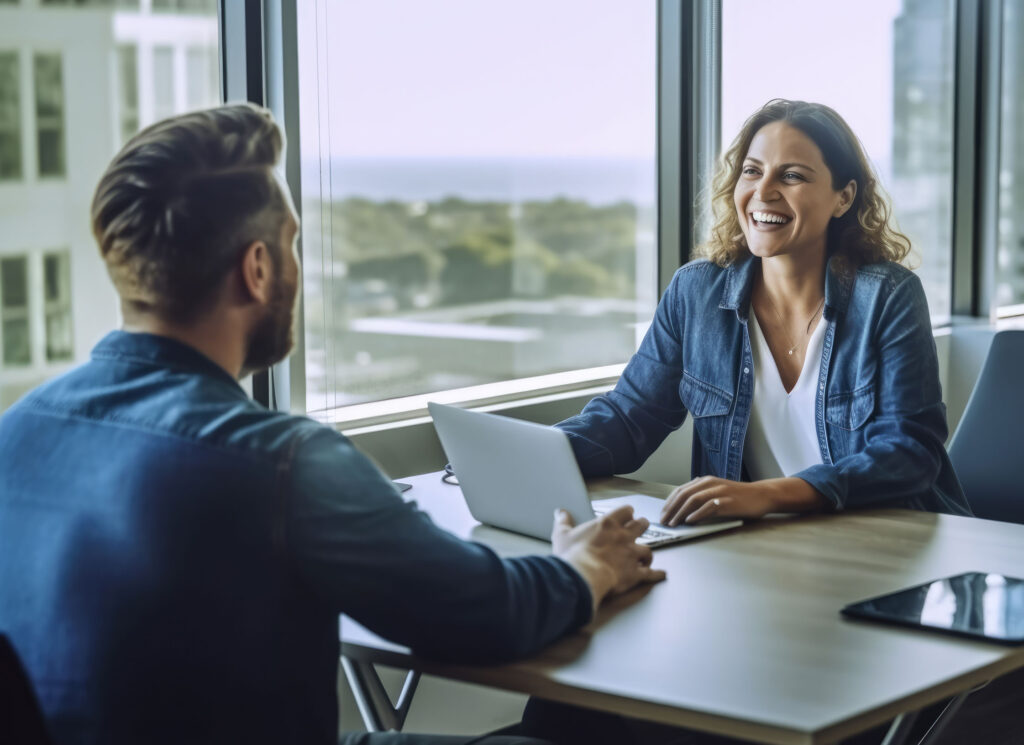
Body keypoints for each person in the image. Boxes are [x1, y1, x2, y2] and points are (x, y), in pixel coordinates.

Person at [0, 103, 666, 745]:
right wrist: (585, 566)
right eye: (292, 243)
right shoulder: (281, 460)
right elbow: (484, 614)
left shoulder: (17, 428)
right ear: (256, 269)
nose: (297, 265)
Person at [556, 99, 971, 524]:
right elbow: (629, 420)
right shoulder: (695, 291)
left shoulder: (887, 297)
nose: (763, 191)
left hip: (890, 542)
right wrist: (535, 453)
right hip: (766, 549)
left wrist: (770, 496)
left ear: (843, 198)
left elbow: (909, 454)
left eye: (791, 176)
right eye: (752, 171)